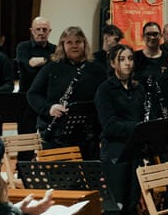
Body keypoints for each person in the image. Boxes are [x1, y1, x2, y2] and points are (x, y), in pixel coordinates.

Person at [94, 44, 145, 215]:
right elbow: (109, 125)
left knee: (132, 203)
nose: (127, 63)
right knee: (115, 206)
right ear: (113, 63)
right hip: (114, 153)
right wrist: (139, 127)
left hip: (134, 151)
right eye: (122, 59)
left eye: (130, 59)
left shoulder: (137, 88)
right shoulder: (105, 89)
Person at [26, 26, 108, 155]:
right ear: (62, 45)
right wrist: (49, 108)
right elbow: (33, 94)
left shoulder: (97, 69)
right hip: (55, 133)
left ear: (84, 44)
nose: (74, 45)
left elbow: (105, 99)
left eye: (78, 41)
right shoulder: (51, 67)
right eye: (69, 42)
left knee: (88, 173)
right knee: (57, 174)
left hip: (87, 134)